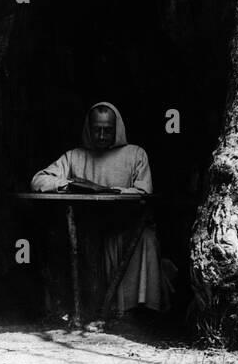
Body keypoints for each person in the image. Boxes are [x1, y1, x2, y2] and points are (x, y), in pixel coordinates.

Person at [31, 101, 171, 318]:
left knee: (146, 238)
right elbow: (38, 180)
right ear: (89, 129)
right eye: (98, 130)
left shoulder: (135, 154)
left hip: (126, 226)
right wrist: (66, 184)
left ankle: (138, 312)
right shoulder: (74, 156)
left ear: (117, 130)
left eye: (108, 130)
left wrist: (113, 191)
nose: (103, 136)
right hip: (88, 227)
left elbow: (144, 191)